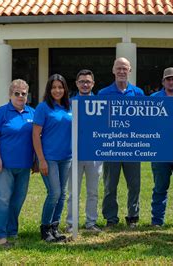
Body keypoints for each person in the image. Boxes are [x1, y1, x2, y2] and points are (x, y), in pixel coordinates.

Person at [98, 57, 145, 228]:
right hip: (111, 147)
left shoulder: (138, 93)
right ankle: (111, 218)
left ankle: (133, 217)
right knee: (110, 185)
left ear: (130, 71)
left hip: (133, 147)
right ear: (113, 70)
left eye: (125, 68)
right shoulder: (103, 94)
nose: (121, 72)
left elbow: (144, 120)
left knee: (134, 184)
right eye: (118, 68)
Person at [0, 79, 35, 247]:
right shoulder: (2, 112)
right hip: (4, 165)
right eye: (17, 93)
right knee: (2, 200)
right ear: (10, 95)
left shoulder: (32, 113)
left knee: (17, 200)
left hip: (24, 166)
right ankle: (0, 235)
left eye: (23, 93)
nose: (20, 96)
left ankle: (12, 231)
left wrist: (35, 161)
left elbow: (37, 138)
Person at [33, 74, 72, 242]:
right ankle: (45, 229)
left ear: (65, 89)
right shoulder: (43, 108)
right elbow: (35, 135)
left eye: (60, 87)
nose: (57, 90)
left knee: (62, 194)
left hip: (66, 157)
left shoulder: (70, 107)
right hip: (49, 157)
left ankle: (55, 228)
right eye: (54, 87)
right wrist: (40, 159)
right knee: (54, 193)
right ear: (49, 90)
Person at [149, 67, 173, 228]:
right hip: (160, 150)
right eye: (168, 79)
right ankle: (157, 220)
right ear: (163, 82)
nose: (171, 81)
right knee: (160, 187)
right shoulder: (153, 98)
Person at [66, 69, 103, 233]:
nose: (85, 84)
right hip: (74, 154)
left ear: (93, 84)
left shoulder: (101, 104)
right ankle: (71, 223)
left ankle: (91, 222)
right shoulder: (69, 104)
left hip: (94, 154)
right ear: (76, 84)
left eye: (88, 81)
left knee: (93, 192)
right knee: (73, 192)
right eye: (82, 81)